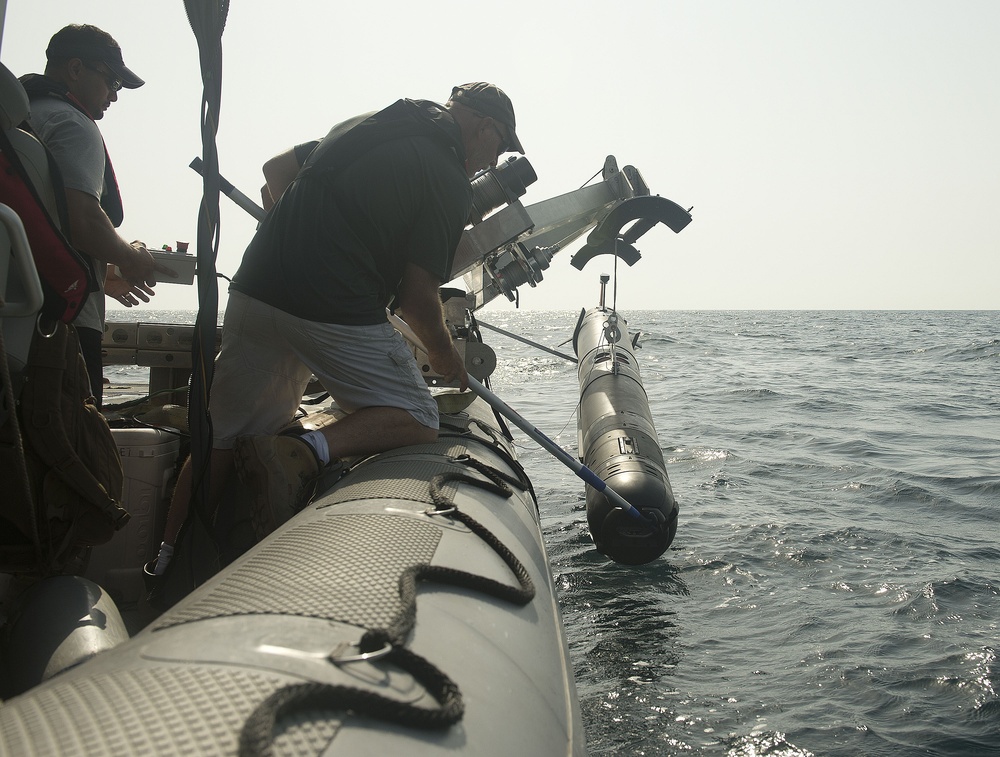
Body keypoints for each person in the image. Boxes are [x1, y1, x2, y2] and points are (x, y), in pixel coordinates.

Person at [151, 82, 524, 578]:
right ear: (485, 127)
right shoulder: (449, 179)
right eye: (498, 148)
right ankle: (305, 450)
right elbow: (416, 299)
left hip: (256, 289)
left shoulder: (368, 122)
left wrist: (314, 233)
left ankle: (164, 560)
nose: (490, 163)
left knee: (221, 433)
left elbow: (276, 171)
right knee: (416, 414)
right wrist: (445, 357)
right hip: (331, 307)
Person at [19, 24, 175, 408]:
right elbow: (84, 220)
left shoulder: (19, 124)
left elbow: (38, 225)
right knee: (76, 448)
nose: (114, 96)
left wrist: (100, 274)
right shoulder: (73, 125)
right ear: (75, 69)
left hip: (20, 311)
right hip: (64, 323)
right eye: (111, 81)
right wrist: (131, 257)